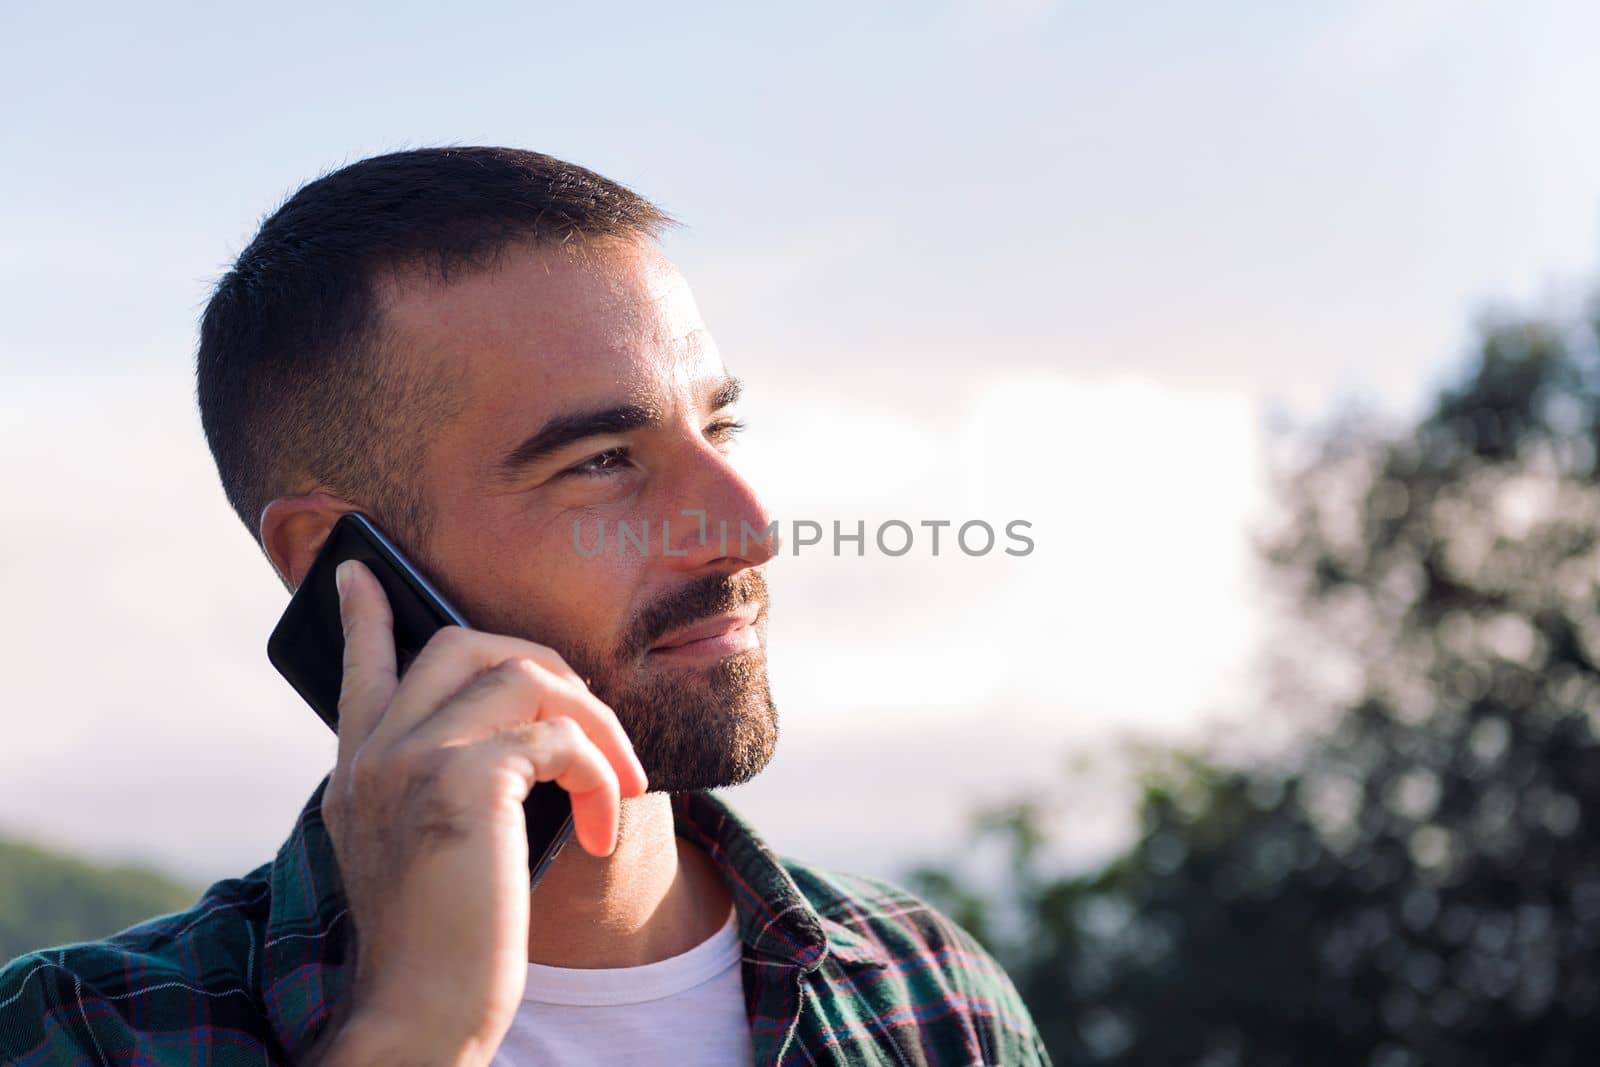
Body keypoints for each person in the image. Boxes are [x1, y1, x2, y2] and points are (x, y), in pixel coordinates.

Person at [0, 146, 1050, 1066]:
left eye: (718, 431)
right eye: (602, 460)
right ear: (334, 559)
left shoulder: (926, 994)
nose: (746, 527)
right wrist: (417, 1028)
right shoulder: (87, 1030)